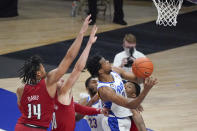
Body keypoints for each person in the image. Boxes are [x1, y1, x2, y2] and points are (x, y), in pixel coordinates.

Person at [15, 15, 92, 131]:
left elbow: (22, 108)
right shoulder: (49, 81)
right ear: (38, 74)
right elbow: (69, 57)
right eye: (42, 68)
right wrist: (81, 32)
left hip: (21, 127)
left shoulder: (20, 89)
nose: (44, 69)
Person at [51, 25, 108, 131]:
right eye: (59, 79)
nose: (63, 79)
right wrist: (89, 43)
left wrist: (98, 111)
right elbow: (78, 68)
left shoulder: (54, 97)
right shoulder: (63, 93)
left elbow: (79, 108)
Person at [86, 55, 157, 131]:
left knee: (135, 112)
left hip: (125, 117)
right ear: (100, 71)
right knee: (135, 110)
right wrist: (145, 90)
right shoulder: (105, 90)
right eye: (104, 62)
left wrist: (144, 73)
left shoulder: (115, 70)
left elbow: (136, 79)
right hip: (114, 122)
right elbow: (130, 104)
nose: (108, 61)